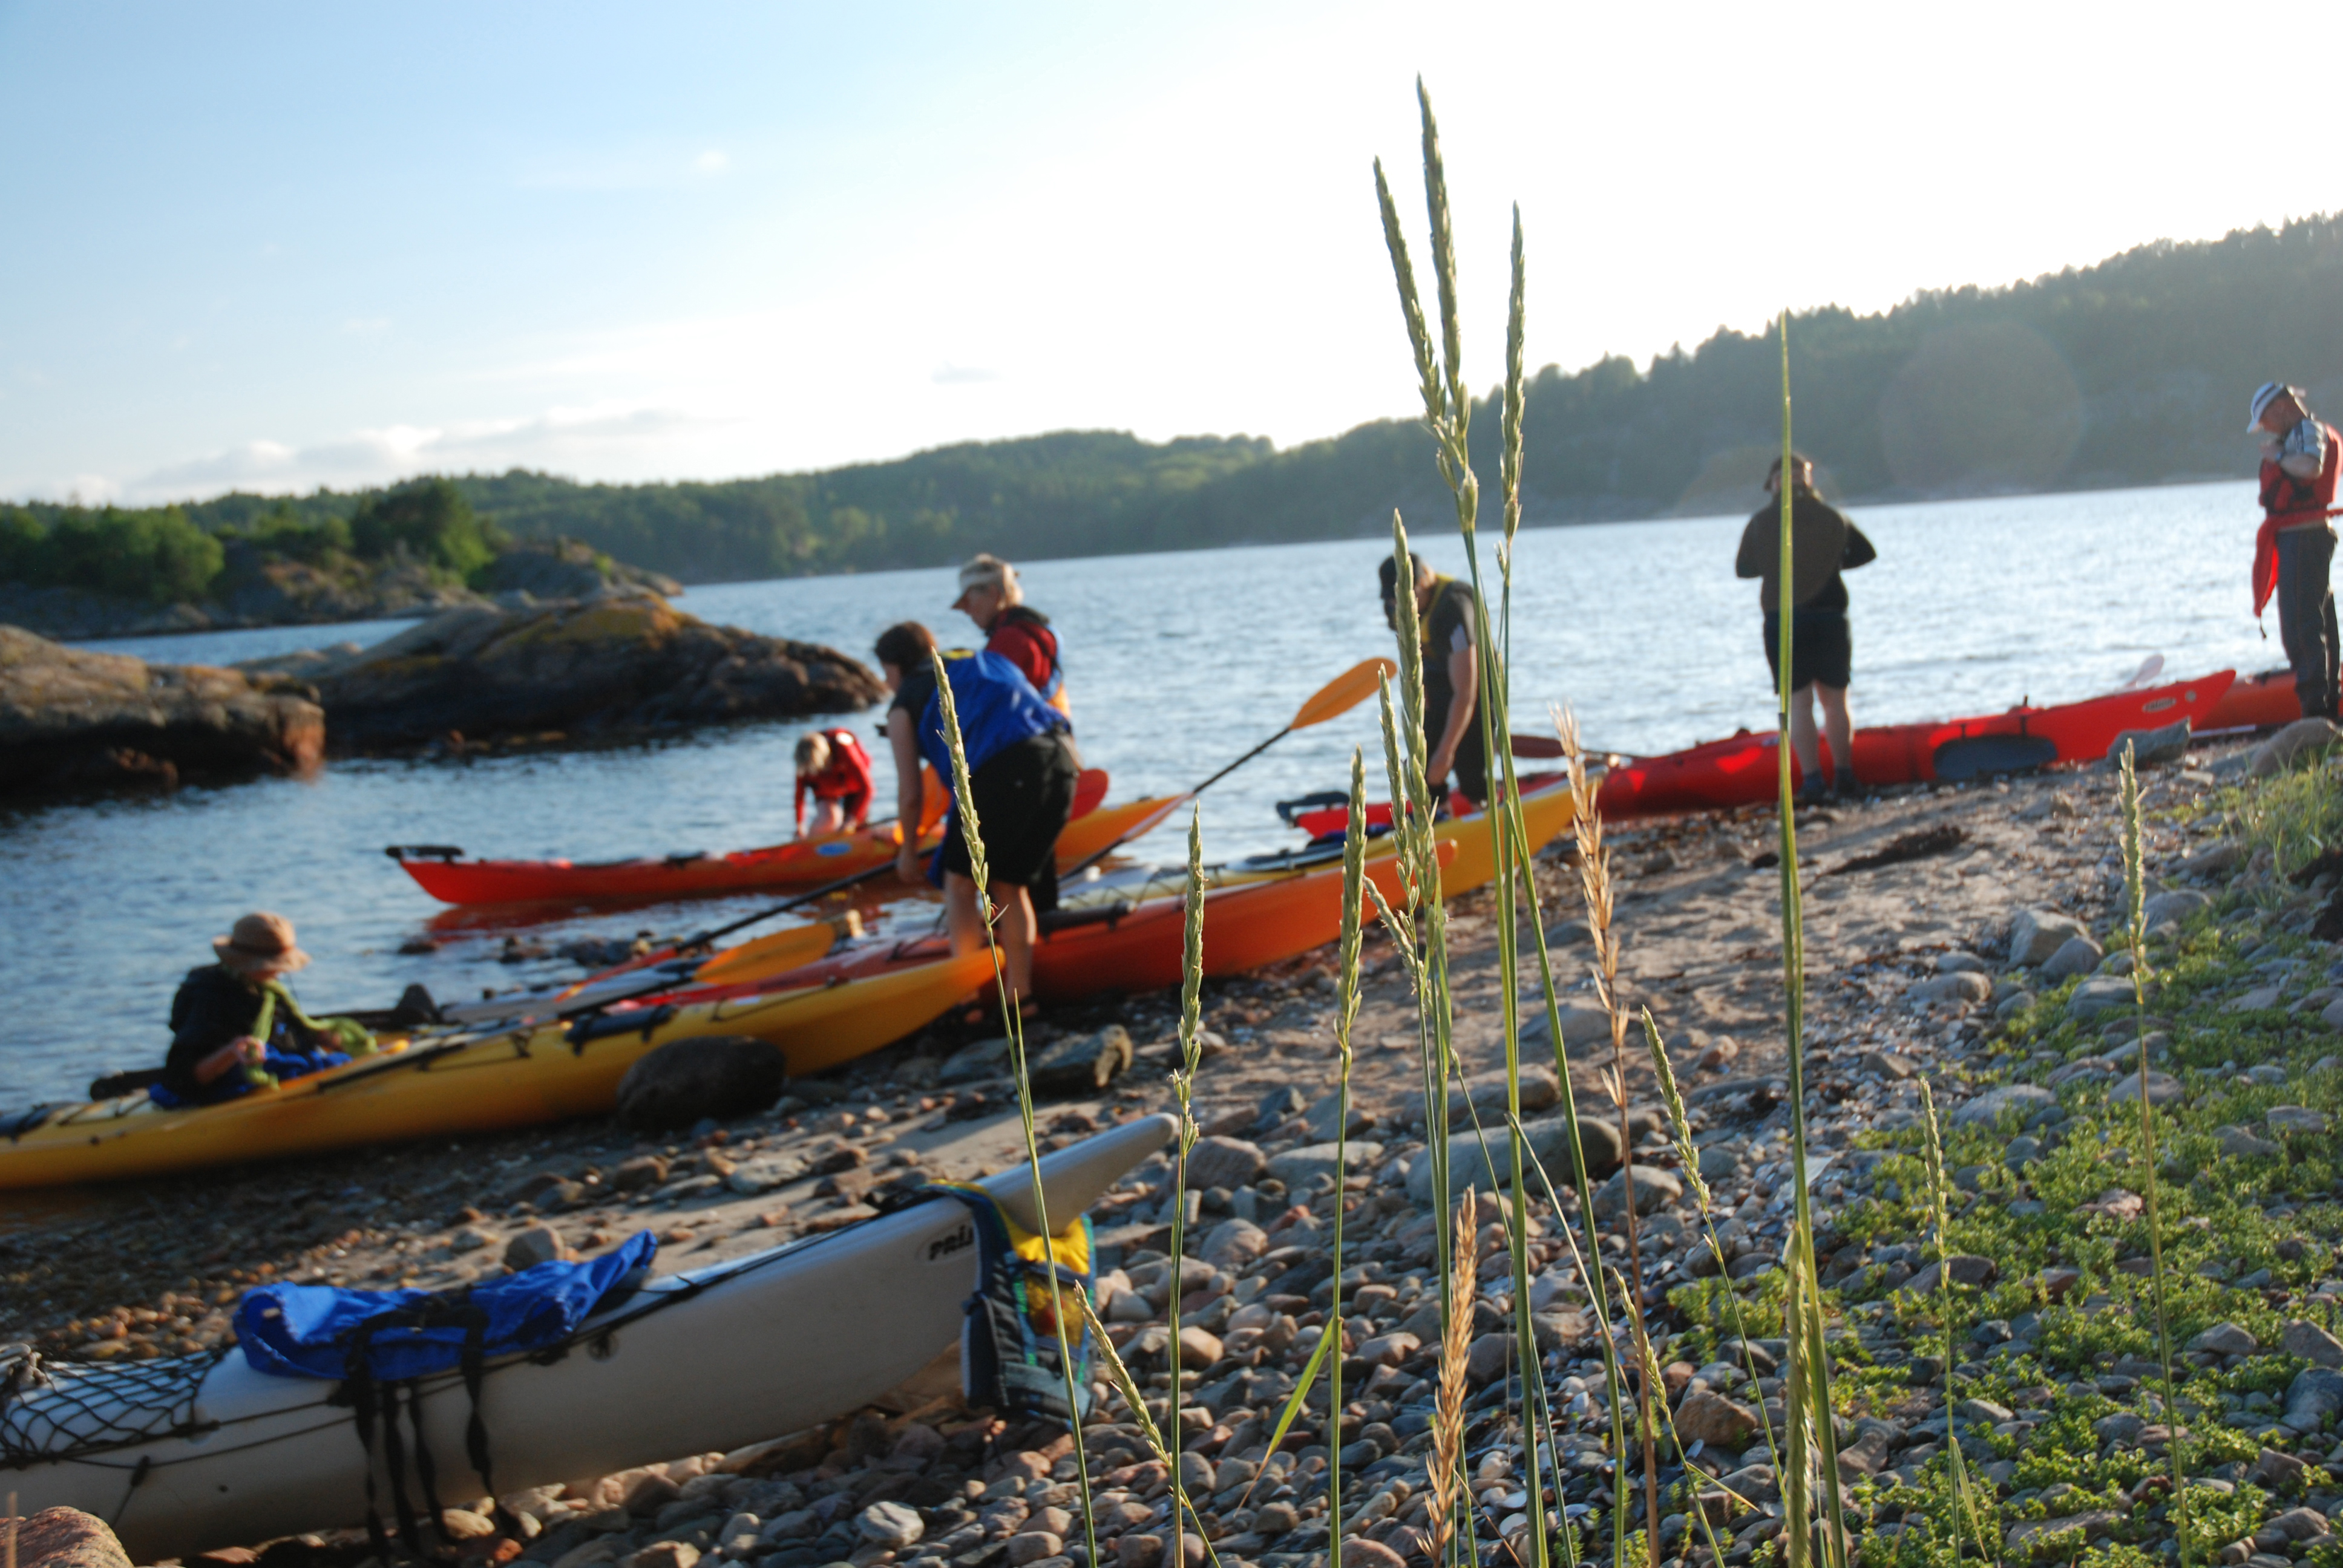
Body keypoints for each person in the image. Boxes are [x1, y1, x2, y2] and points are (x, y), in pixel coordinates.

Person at [874, 622, 1079, 1007]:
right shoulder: (982, 659)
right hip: (1062, 760)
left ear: (896, 666)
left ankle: (965, 998)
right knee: (1009, 884)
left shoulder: (902, 706)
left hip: (1008, 768)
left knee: (959, 884)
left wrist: (908, 850)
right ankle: (1022, 999)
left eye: (885, 672)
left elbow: (911, 795)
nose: (886, 683)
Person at [1734, 453, 1876, 804]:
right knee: (1836, 700)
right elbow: (1865, 553)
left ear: (1774, 484)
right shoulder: (1831, 516)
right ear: (1808, 480)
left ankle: (1813, 782)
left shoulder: (1761, 523)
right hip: (1829, 614)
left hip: (1784, 619)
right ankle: (1844, 777)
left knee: (1799, 703)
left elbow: (1744, 569)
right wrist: (1831, 563)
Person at [156, 912, 375, 1108]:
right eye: (276, 964)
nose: (280, 971)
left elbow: (287, 1032)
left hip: (267, 1061)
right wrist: (232, 1051)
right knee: (310, 1064)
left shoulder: (267, 990)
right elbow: (183, 1079)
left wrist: (322, 1037)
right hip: (220, 1083)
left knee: (321, 1056)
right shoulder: (210, 998)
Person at [2249, 382, 2343, 720]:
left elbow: (2311, 467)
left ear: (2282, 408)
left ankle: (2316, 710)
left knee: (2300, 624)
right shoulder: (2302, 432)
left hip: (2305, 538)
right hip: (2306, 537)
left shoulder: (2306, 431)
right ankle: (2327, 703)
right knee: (2316, 618)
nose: (2268, 429)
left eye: (2267, 421)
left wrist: (2279, 456)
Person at [1378, 552, 1486, 809]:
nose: (1398, 604)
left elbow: (1465, 692)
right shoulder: (1396, 605)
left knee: (1467, 763)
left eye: (1406, 595)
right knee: (1425, 771)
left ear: (1424, 582)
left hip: (1473, 689)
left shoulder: (1453, 608)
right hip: (1436, 683)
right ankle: (1438, 816)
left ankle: (1481, 805)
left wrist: (1447, 751)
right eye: (1394, 598)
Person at [952, 553, 1071, 717]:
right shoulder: (1038, 630)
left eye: (968, 601)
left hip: (1026, 737)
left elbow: (990, 702)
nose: (966, 610)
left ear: (993, 594)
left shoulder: (1010, 640)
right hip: (1053, 733)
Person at [793, 727, 876, 836]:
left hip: (853, 788)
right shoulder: (804, 759)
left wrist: (851, 821)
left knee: (858, 824)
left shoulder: (843, 747)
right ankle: (809, 845)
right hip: (827, 791)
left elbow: (868, 789)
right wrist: (800, 825)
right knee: (828, 818)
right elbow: (799, 796)